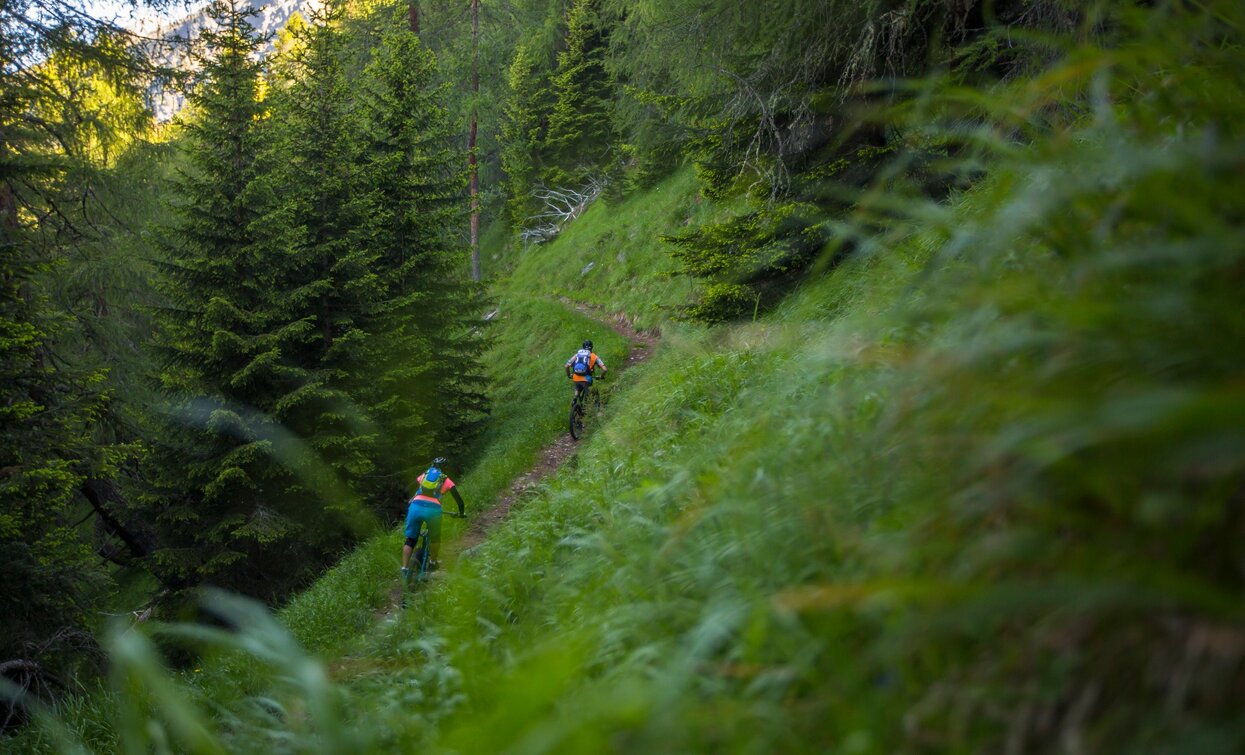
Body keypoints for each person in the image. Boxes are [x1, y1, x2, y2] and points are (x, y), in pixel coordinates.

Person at [401, 457, 466, 580]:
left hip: (415, 506)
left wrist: (409, 501)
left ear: (433, 465)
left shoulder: (425, 475)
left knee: (410, 539)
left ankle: (404, 568)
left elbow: (407, 489)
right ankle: (432, 562)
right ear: (445, 468)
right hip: (433, 510)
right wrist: (461, 513)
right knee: (435, 538)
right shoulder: (446, 480)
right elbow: (460, 501)